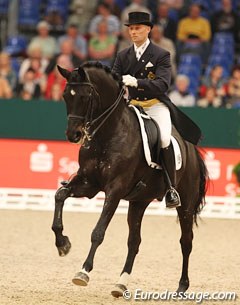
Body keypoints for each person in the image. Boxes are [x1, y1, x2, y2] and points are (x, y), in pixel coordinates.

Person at [112, 12, 202, 208]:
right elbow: (114, 81)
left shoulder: (161, 54)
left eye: (137, 28)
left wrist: (137, 81)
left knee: (163, 138)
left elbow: (162, 84)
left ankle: (171, 188)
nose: (133, 32)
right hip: (133, 105)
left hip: (155, 104)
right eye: (131, 28)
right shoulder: (122, 55)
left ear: (148, 29)